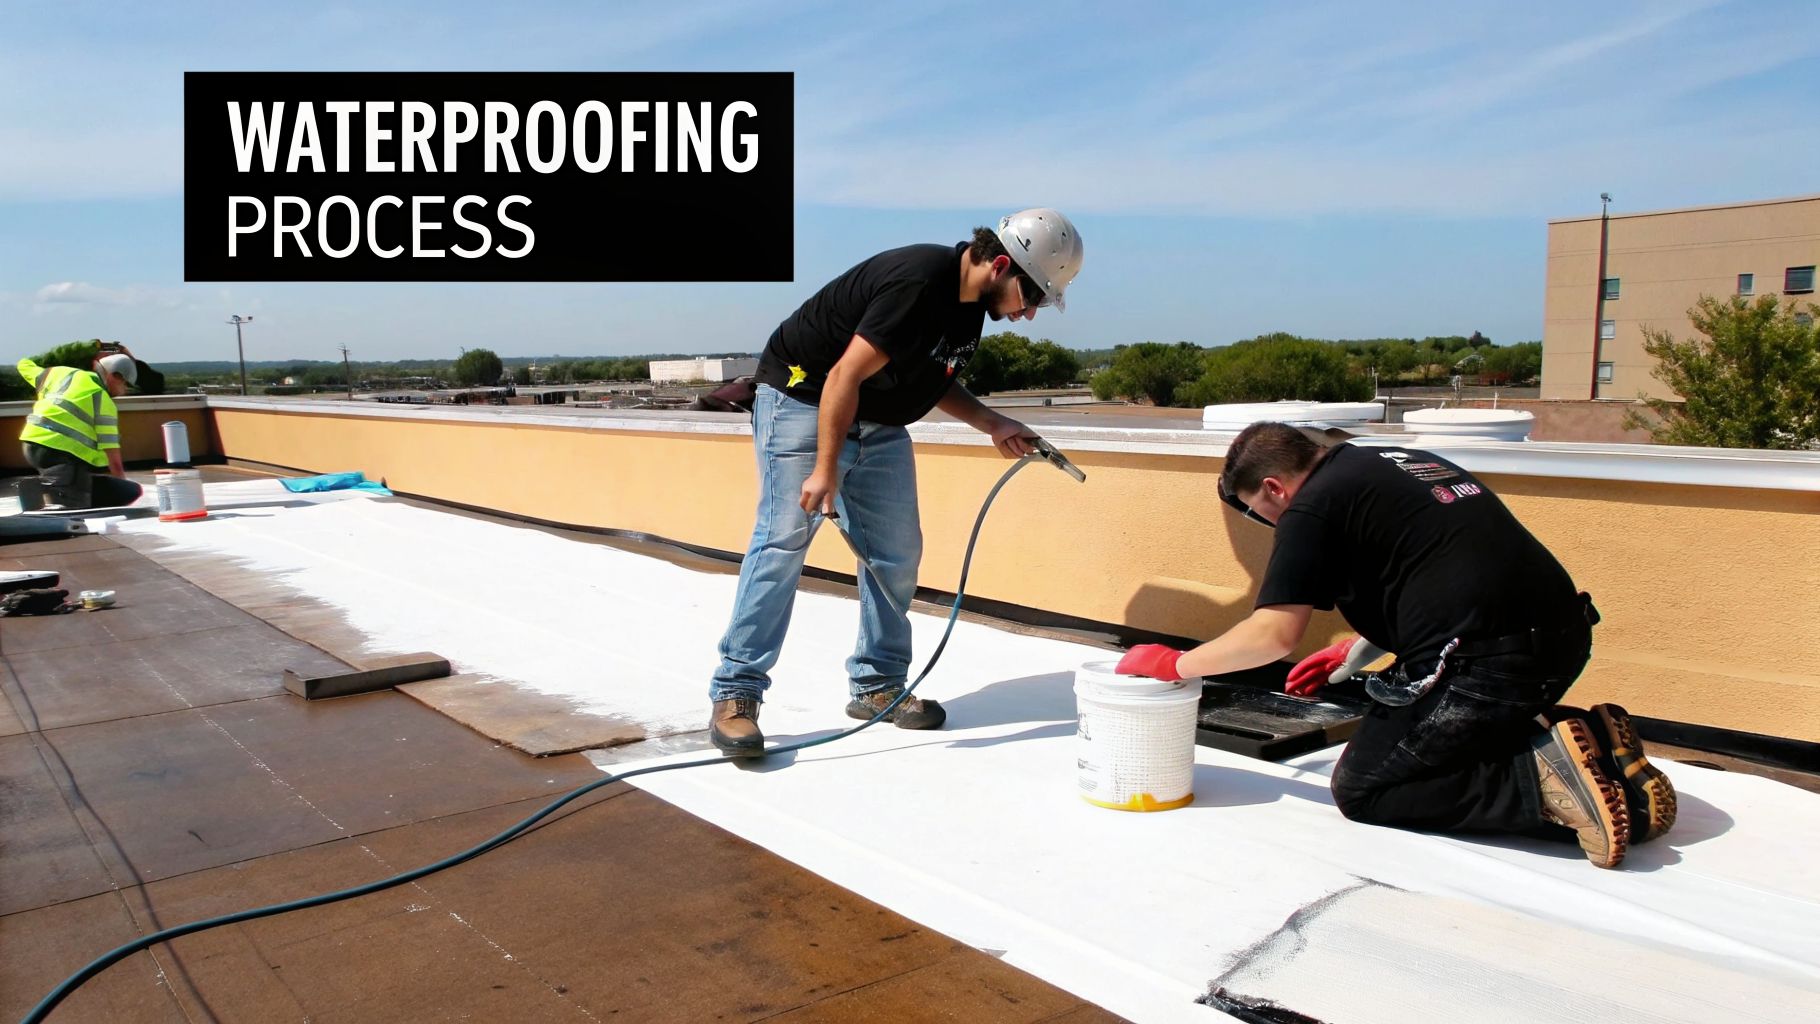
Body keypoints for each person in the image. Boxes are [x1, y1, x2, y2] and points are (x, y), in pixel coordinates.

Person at [1115, 422, 1675, 868]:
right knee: (1430, 735)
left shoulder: (1309, 507)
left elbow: (1273, 633)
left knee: (1368, 787)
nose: (1271, 526)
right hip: (1558, 641)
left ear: (1273, 488)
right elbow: (1433, 566)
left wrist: (1175, 664)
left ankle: (1543, 784)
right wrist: (1356, 650)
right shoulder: (1384, 461)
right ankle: (1594, 745)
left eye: (1264, 515)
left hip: (1490, 663)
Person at [708, 208, 1084, 755]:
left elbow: (929, 379)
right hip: (804, 401)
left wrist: (993, 422)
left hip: (878, 417)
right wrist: (825, 469)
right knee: (782, 542)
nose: (1029, 315)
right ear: (1001, 264)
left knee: (896, 551)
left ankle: (877, 685)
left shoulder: (969, 309)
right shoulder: (920, 283)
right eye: (1032, 299)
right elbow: (844, 374)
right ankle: (736, 694)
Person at [16, 345, 145, 510]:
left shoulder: (59, 373)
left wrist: (85, 347)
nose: (124, 391)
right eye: (125, 385)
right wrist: (122, 484)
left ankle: (51, 487)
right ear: (115, 376)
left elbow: (24, 364)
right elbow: (113, 455)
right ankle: (49, 493)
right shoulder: (102, 400)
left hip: (32, 444)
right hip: (60, 455)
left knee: (82, 484)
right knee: (76, 507)